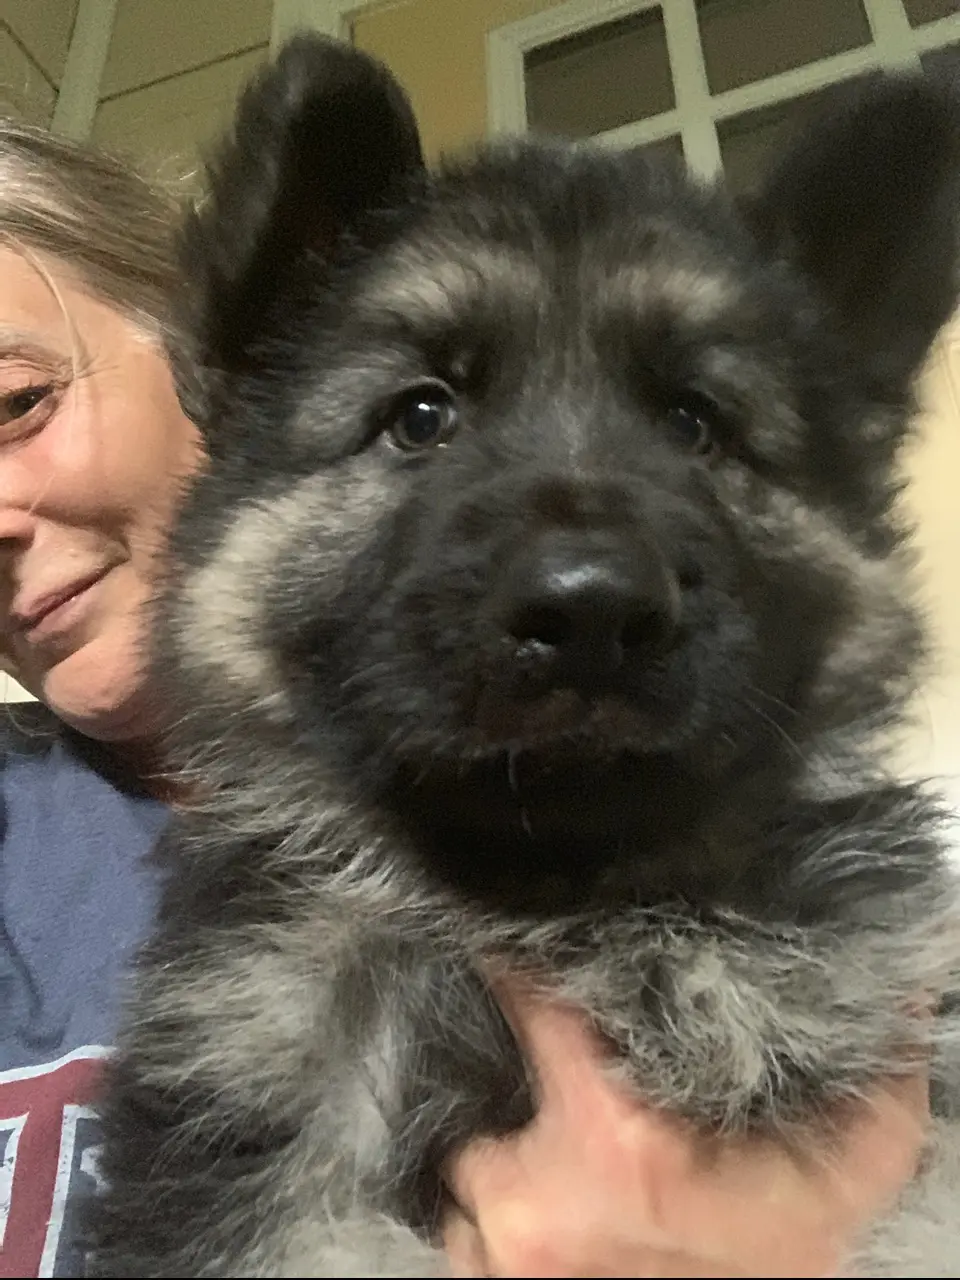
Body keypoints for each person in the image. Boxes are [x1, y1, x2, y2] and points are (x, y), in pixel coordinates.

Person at [0, 115, 931, 1280]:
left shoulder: (891, 946)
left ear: (184, 345)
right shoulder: (202, 929)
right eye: (422, 416)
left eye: (698, 423)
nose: (580, 567)